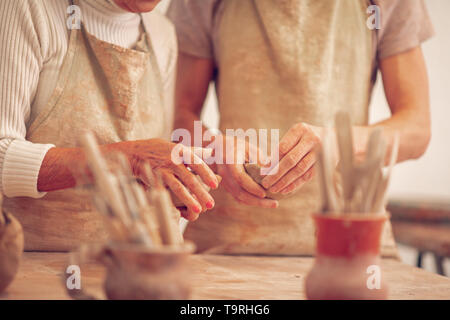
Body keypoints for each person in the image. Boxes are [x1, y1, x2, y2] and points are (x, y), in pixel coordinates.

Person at [167, 0, 434, 255]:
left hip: (352, 243)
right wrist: (213, 147)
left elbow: (416, 128)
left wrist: (339, 143)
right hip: (227, 240)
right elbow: (179, 114)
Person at [0, 0, 219, 251]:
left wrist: (174, 183)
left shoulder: (162, 32)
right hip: (38, 263)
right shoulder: (28, 8)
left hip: (140, 266)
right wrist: (128, 159)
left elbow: (155, 157)